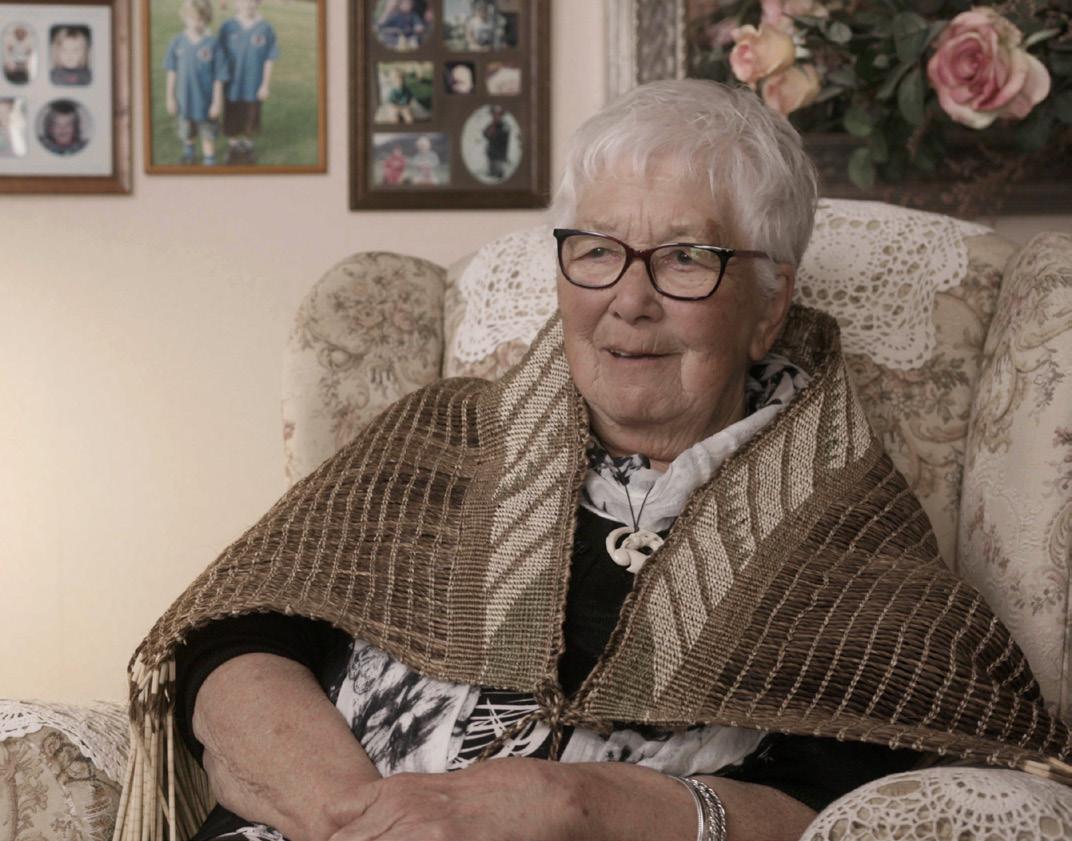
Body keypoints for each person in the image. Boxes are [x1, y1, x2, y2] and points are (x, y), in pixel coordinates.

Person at [114, 79, 1072, 841]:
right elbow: (237, 643)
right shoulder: (437, 435)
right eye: (597, 250)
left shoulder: (845, 522)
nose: (629, 299)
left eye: (686, 257)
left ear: (771, 303)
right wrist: (358, 819)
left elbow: (850, 786)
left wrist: (575, 805)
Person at [165, 0, 228, 166]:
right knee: (188, 132)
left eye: (200, 19)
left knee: (208, 136)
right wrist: (170, 97)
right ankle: (189, 153)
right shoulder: (177, 42)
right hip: (184, 101)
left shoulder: (213, 45)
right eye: (192, 18)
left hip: (206, 104)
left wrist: (217, 102)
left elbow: (219, 77)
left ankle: (210, 161)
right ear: (185, 18)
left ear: (207, 19)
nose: (196, 23)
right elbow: (171, 71)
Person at [218, 0, 278, 165]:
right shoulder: (227, 26)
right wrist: (219, 82)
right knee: (231, 118)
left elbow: (269, 59)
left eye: (252, 1)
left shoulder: (266, 28)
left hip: (254, 86)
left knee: (251, 119)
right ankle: (233, 147)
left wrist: (265, 85)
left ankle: (247, 147)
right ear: (236, 3)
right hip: (232, 86)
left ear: (258, 3)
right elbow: (219, 57)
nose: (247, 4)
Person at [482, 103, 510, 179]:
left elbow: (504, 136)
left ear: (501, 116)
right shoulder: (491, 125)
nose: (495, 117)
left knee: (497, 165)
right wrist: (488, 133)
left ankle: (499, 173)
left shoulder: (504, 125)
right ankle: (492, 172)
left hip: (499, 150)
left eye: (497, 115)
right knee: (491, 163)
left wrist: (493, 133)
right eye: (494, 115)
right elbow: (485, 133)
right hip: (491, 149)